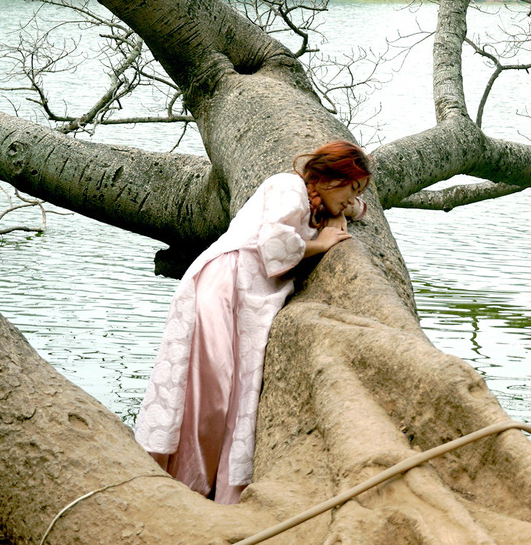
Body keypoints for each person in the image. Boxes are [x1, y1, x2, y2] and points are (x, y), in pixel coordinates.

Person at [134, 141, 373, 504]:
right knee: (209, 387)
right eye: (351, 187)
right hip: (225, 284)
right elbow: (273, 243)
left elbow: (359, 209)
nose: (351, 199)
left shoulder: (318, 201)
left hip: (252, 296)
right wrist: (320, 244)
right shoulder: (289, 187)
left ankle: (212, 485)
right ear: (332, 177)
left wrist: (347, 207)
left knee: (236, 394)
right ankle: (185, 483)